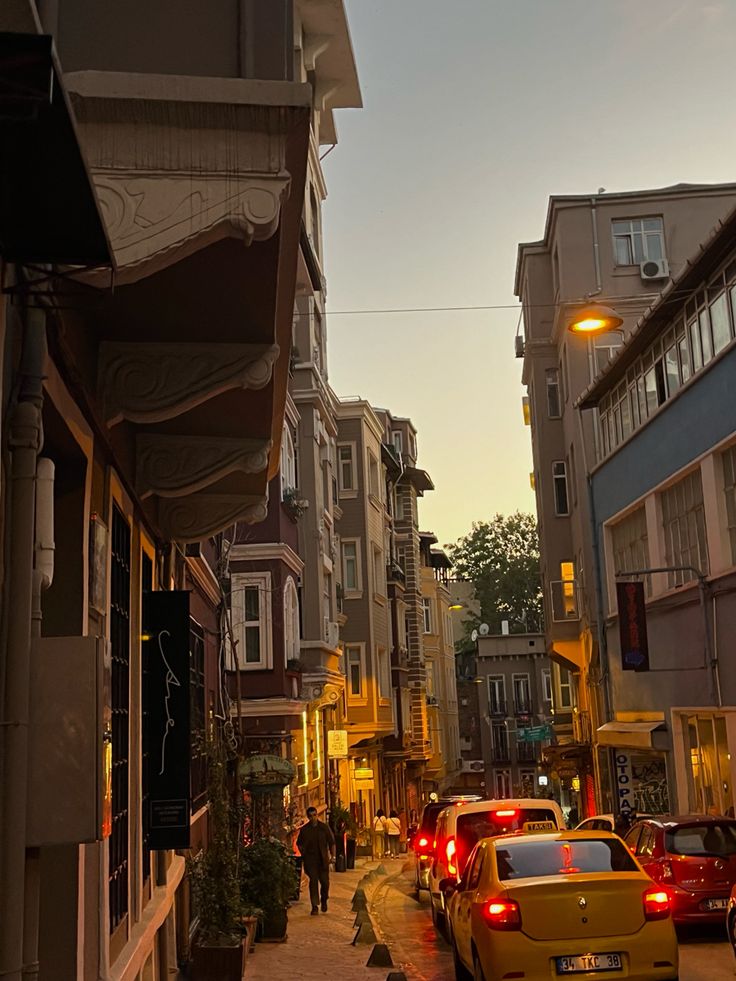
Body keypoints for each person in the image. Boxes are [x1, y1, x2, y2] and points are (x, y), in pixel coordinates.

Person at [296, 806, 336, 915]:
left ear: (317, 815)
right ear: (308, 817)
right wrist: (304, 853)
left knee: (325, 883)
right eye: (311, 816)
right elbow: (299, 843)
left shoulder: (324, 828)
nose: (313, 818)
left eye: (315, 815)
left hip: (323, 860)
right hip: (311, 861)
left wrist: (333, 856)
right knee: (313, 882)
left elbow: (331, 842)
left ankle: (324, 900)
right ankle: (314, 905)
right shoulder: (305, 830)